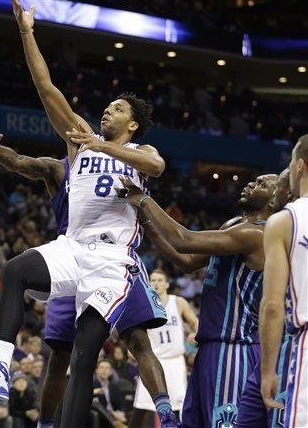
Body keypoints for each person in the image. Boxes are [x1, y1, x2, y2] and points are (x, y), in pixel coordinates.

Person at [0, 0, 172, 428]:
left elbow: (156, 165)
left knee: (85, 356)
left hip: (113, 261)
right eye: (106, 107)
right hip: (73, 247)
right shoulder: (78, 140)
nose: (106, 111)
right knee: (15, 270)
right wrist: (25, 31)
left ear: (130, 124)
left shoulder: (139, 148)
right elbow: (45, 85)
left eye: (116, 109)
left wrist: (105, 147)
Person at [0, 135, 178, 428]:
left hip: (114, 260)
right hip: (68, 258)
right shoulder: (61, 168)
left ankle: (166, 415)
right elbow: (19, 162)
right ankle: (45, 422)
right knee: (61, 354)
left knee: (137, 340)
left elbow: (153, 172)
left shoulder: (128, 162)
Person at [118, 172, 288, 428]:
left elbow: (184, 240)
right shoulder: (233, 226)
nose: (251, 183)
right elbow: (186, 261)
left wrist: (143, 199)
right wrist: (148, 224)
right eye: (254, 180)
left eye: (262, 184)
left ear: (274, 202)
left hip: (234, 348)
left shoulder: (258, 235)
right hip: (210, 347)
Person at [236, 169, 294, 428]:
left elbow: (272, 306)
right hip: (273, 348)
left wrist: (144, 204)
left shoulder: (278, 225)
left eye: (280, 185)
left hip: (286, 346)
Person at [260, 135, 308, 428]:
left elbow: (273, 306)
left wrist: (268, 370)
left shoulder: (285, 220)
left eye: (290, 161)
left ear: (300, 166)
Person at [131, 269, 198, 427]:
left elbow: (195, 322)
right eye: (153, 280)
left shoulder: (178, 302)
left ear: (167, 284)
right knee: (141, 407)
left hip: (175, 361)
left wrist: (196, 333)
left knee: (177, 408)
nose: (156, 283)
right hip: (153, 361)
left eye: (160, 280)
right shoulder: (144, 304)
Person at [92, 358, 127, 428]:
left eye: (107, 368)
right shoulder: (92, 385)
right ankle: (115, 423)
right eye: (101, 368)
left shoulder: (114, 386)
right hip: (101, 416)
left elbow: (121, 403)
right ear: (96, 371)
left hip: (116, 415)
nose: (104, 370)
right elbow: (97, 405)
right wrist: (113, 414)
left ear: (111, 372)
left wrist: (122, 413)